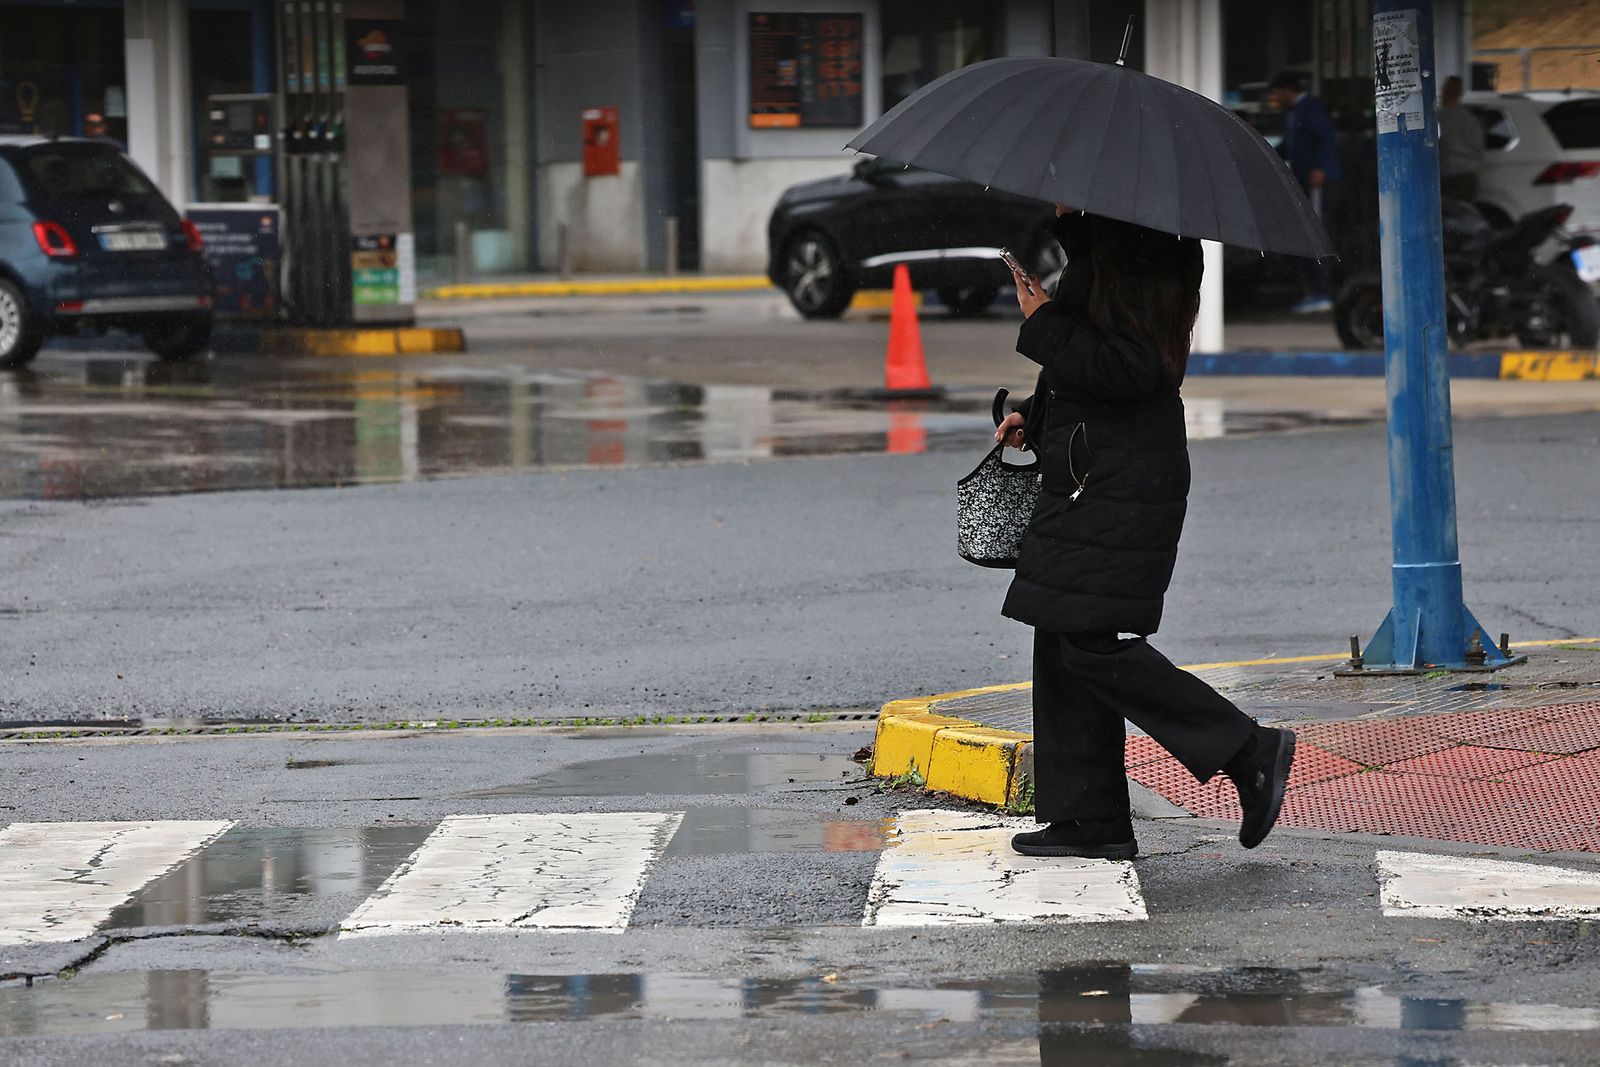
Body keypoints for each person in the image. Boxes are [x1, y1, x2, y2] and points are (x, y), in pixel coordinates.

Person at [992, 207, 1296, 860]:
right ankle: (1088, 816)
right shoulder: (1110, 247)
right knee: (1065, 632)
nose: (1054, 198)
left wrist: (1041, 321)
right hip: (1094, 467)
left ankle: (1249, 750)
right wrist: (1034, 414)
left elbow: (1130, 369)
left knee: (1090, 642)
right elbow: (1092, 364)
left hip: (1116, 478)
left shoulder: (1141, 253)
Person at [1268, 71, 1341, 314]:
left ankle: (1321, 293)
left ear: (1289, 89)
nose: (1276, 98)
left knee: (1317, 234)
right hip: (1305, 182)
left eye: (1278, 92)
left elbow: (1326, 138)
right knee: (1308, 233)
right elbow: (1290, 146)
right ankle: (1314, 291)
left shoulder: (1310, 108)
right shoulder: (1294, 113)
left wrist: (1321, 167)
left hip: (1318, 182)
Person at [1437, 76, 1485, 203]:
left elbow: (1436, 145)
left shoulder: (1440, 118)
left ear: (1445, 92)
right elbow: (1478, 146)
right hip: (1470, 175)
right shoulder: (1470, 118)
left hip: (1450, 176)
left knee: (1450, 215)